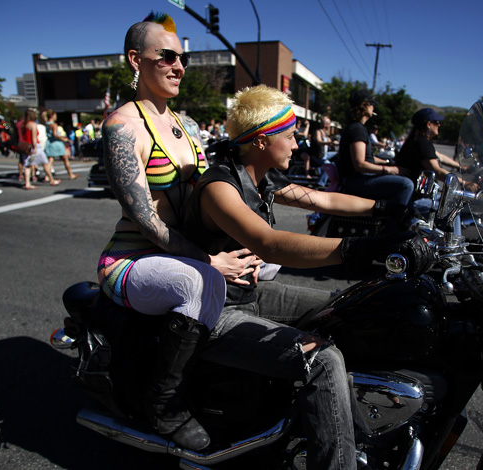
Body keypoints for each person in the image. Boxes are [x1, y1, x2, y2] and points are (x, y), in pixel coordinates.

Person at [184, 84, 432, 469]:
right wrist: (364, 250)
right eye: (290, 134)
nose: (297, 142)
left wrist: (391, 208)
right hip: (215, 312)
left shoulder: (261, 178)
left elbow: (324, 198)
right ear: (263, 140)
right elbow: (269, 243)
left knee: (351, 306)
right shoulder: (220, 186)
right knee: (323, 359)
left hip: (250, 293)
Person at [98, 12, 254, 451]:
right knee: (198, 280)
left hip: (186, 249)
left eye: (181, 58)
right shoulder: (122, 128)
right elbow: (146, 219)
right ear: (135, 60)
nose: (178, 66)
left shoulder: (186, 126)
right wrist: (209, 260)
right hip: (132, 260)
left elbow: (211, 196)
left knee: (267, 260)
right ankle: (163, 404)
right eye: (165, 56)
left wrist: (245, 242)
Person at [335, 89, 414, 207]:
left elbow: (368, 158)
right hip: (356, 181)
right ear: (363, 106)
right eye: (371, 104)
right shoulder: (357, 129)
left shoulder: (356, 127)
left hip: (355, 179)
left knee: (400, 175)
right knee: (406, 185)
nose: (373, 107)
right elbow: (360, 164)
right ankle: (393, 222)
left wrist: (389, 163)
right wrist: (387, 169)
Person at [44, 110, 77, 180]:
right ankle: (70, 174)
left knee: (50, 160)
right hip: (57, 143)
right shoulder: (54, 124)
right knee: (65, 159)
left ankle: (47, 176)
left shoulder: (47, 123)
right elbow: (55, 134)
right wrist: (63, 139)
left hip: (50, 143)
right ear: (52, 115)